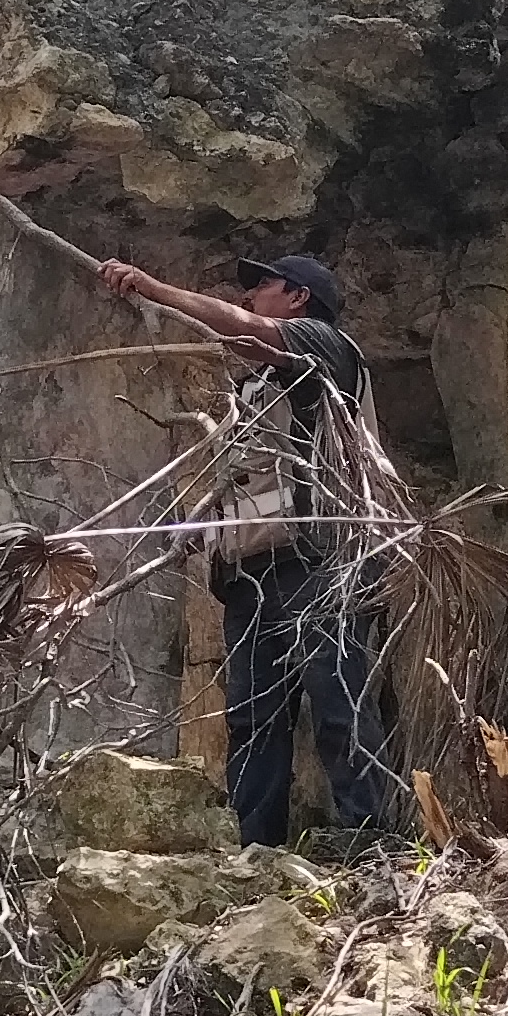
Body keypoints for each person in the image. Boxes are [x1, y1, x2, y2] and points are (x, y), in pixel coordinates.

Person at [94, 249, 401, 850]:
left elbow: (253, 331)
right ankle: (255, 848)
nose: (251, 295)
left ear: (299, 299)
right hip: (251, 574)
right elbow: (250, 478)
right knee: (253, 717)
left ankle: (370, 843)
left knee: (339, 703)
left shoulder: (325, 349)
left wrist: (156, 288)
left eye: (264, 284)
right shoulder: (256, 389)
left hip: (320, 563)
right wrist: (204, 529)